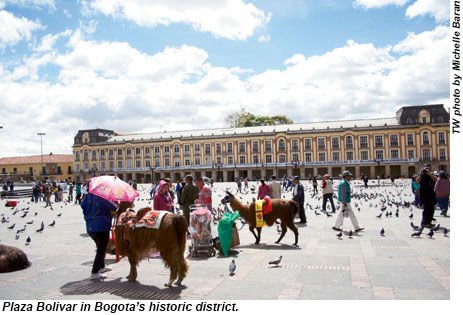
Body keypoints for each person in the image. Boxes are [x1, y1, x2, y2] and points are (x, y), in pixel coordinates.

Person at [81, 192, 118, 280]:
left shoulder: (86, 197)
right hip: (101, 226)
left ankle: (102, 266)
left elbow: (83, 206)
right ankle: (95, 272)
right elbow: (114, 207)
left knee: (100, 247)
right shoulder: (101, 197)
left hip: (90, 227)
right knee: (101, 250)